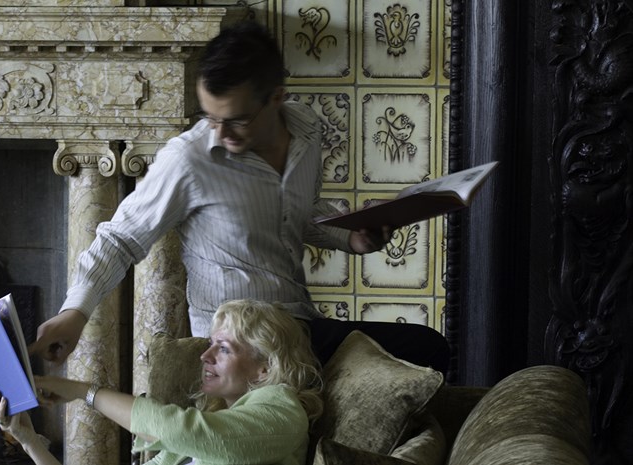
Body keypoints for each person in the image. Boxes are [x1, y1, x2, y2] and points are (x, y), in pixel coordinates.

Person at [32, 20, 449, 373]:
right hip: (238, 347)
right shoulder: (189, 159)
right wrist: (75, 312)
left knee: (428, 348)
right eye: (210, 117)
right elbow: (120, 238)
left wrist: (350, 236)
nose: (220, 133)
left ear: (277, 98)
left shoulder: (307, 131)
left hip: (298, 325)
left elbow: (295, 216)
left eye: (235, 120)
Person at [0, 299, 323, 465]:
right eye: (210, 344)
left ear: (265, 368)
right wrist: (28, 439)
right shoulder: (212, 426)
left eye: (223, 348)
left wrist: (81, 390)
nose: (205, 356)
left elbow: (184, 430)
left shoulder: (283, 409)